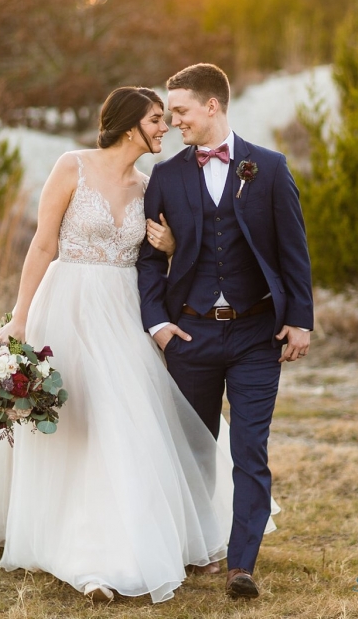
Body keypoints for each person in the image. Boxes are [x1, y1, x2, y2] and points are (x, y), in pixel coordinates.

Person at [0, 87, 275, 604]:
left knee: (120, 422)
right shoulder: (71, 166)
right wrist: (19, 318)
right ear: (131, 125)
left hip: (122, 312)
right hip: (63, 305)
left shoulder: (152, 186)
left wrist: (172, 249)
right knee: (65, 421)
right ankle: (58, 533)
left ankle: (109, 552)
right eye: (157, 119)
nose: (165, 128)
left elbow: (162, 263)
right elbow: (42, 244)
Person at [137, 62, 313, 601]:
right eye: (170, 115)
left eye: (182, 112)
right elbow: (148, 259)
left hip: (257, 334)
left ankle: (242, 566)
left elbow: (293, 249)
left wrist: (300, 319)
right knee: (192, 449)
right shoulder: (166, 178)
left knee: (250, 450)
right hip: (190, 336)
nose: (174, 123)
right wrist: (159, 325)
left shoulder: (269, 167)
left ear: (213, 106)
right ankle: (193, 548)